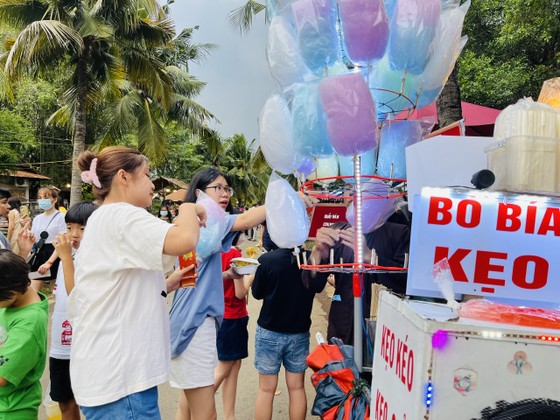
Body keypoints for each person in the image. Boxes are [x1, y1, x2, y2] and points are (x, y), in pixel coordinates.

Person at [67, 146, 206, 419]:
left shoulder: (104, 217)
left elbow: (115, 287)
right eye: (147, 174)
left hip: (110, 375)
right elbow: (184, 239)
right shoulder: (121, 215)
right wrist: (189, 207)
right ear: (123, 177)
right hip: (122, 382)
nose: (152, 184)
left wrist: (167, 284)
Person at [170, 167, 316, 420]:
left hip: (186, 320)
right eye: (218, 188)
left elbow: (192, 276)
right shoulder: (209, 222)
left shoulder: (191, 226)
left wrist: (224, 276)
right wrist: (290, 197)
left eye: (227, 188)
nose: (225, 194)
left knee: (189, 399)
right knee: (204, 410)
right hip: (194, 323)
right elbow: (247, 219)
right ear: (199, 192)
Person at [305, 220, 410, 345]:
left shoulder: (399, 232)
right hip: (342, 327)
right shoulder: (340, 232)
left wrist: (369, 256)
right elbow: (312, 284)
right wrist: (317, 252)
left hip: (381, 331)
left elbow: (405, 283)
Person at [251, 241, 323, 420]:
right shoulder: (311, 260)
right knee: (297, 387)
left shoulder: (267, 260)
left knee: (266, 390)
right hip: (299, 332)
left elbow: (257, 293)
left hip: (269, 331)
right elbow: (319, 287)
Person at [49, 201, 98, 420]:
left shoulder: (94, 259)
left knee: (91, 403)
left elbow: (76, 297)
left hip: (86, 344)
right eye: (69, 227)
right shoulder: (67, 255)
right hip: (61, 343)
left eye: (82, 228)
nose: (74, 234)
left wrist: (66, 257)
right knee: (64, 401)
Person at [0, 249, 49, 419]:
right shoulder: (16, 298)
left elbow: (2, 376)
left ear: (12, 292)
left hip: (11, 410)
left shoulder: (28, 325)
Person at [214, 230, 253, 420]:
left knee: (233, 365)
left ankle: (230, 415)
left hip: (220, 315)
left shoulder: (215, 252)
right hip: (234, 316)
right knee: (225, 366)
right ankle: (197, 403)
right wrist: (250, 278)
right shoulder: (235, 255)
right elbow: (240, 293)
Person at [31, 186, 66, 284]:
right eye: (40, 198)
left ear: (55, 200)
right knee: (33, 285)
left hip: (54, 254)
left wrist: (49, 262)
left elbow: (61, 242)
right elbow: (34, 239)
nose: (42, 200)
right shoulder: (37, 218)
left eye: (45, 197)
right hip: (39, 253)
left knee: (54, 288)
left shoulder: (61, 217)